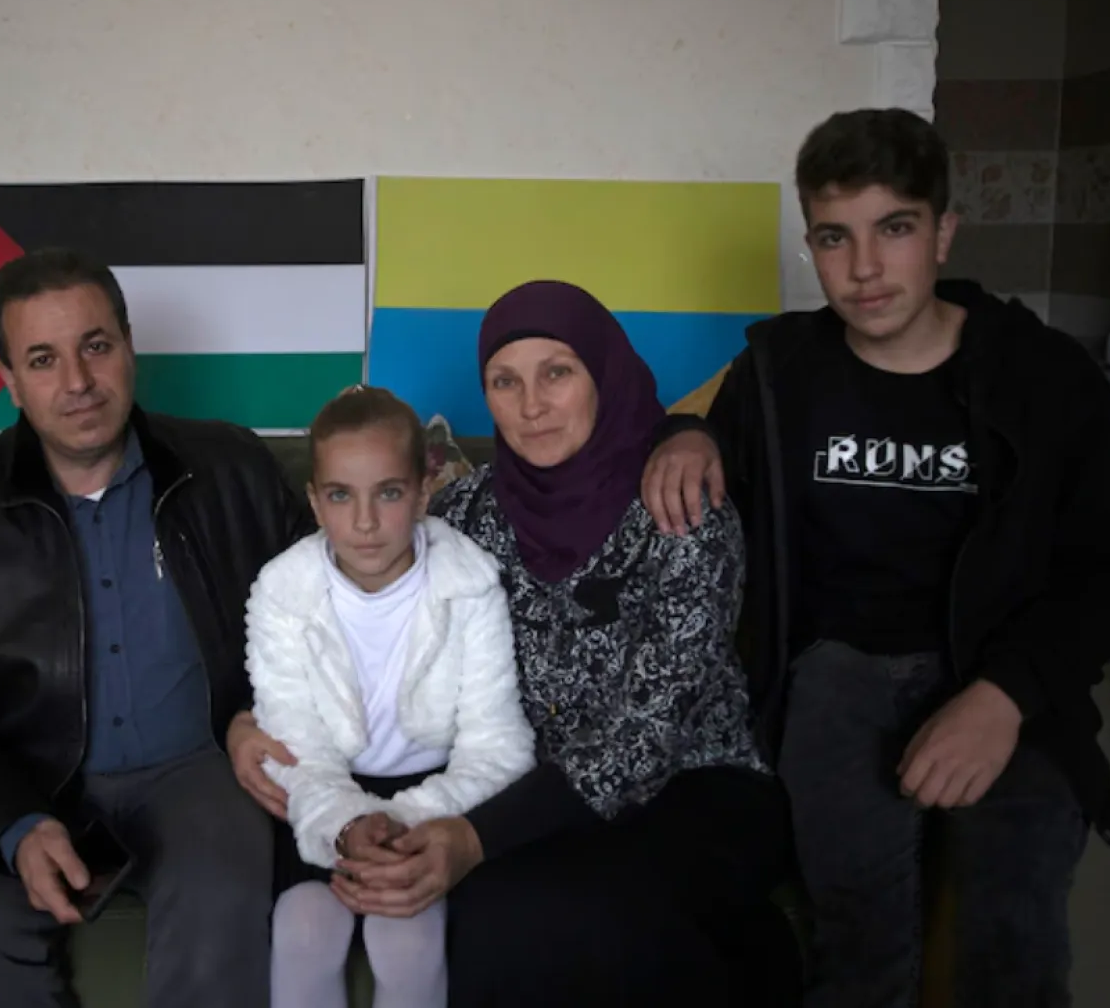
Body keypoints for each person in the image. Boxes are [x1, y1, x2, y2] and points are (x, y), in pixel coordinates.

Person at [641, 108, 1110, 1007]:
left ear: (945, 230)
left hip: (1004, 676)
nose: (864, 268)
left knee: (1008, 930)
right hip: (837, 677)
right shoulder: (779, 368)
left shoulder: (1047, 376)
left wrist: (1004, 696)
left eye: (895, 229)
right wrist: (684, 433)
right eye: (836, 237)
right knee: (858, 940)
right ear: (812, 243)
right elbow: (694, 417)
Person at [231, 280, 799, 1006]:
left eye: (557, 372)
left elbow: (648, 735)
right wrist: (251, 720)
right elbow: (345, 610)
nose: (530, 405)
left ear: (605, 374)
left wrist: (473, 836)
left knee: (575, 913)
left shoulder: (681, 509)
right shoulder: (467, 514)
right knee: (481, 916)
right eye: (505, 381)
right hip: (525, 788)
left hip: (691, 784)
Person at [0, 247, 311, 1008]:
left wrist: (258, 720)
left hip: (202, 765)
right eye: (43, 359)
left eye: (95, 346)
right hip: (24, 772)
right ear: (7, 378)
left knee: (223, 900)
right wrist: (11, 824)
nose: (77, 382)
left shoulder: (232, 467)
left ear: (129, 345)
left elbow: (324, 628)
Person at [247, 384, 536, 1008]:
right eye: (341, 496)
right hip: (324, 797)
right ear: (315, 502)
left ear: (424, 493)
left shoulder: (469, 583)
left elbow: (500, 745)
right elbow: (292, 741)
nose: (366, 522)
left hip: (435, 800)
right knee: (303, 925)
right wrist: (347, 824)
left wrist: (404, 824)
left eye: (390, 493)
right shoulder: (284, 592)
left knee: (406, 934)